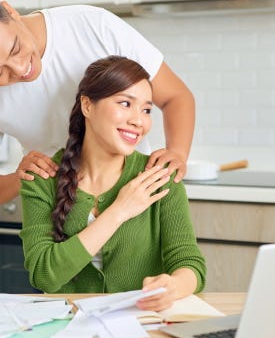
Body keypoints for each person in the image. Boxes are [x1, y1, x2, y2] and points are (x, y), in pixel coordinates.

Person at [0, 0, 195, 205]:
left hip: (135, 200)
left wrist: (178, 154)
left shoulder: (93, 26)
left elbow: (176, 97)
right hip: (58, 217)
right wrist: (18, 178)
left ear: (10, 12)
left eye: (15, 48)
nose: (21, 69)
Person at [20, 56, 205, 311]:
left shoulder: (160, 176)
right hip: (69, 327)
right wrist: (119, 211)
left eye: (146, 110)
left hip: (142, 326)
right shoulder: (43, 178)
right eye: (125, 103)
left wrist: (173, 286)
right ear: (87, 105)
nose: (139, 121)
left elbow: (190, 264)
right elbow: (44, 275)